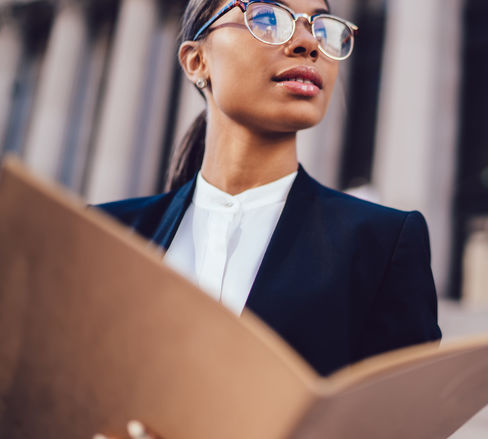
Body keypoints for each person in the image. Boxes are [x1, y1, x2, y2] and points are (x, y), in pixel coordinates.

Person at [96, 0, 442, 380]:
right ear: (197, 61)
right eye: (266, 17)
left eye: (320, 27)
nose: (308, 43)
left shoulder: (383, 245)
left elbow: (402, 422)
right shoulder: (104, 234)